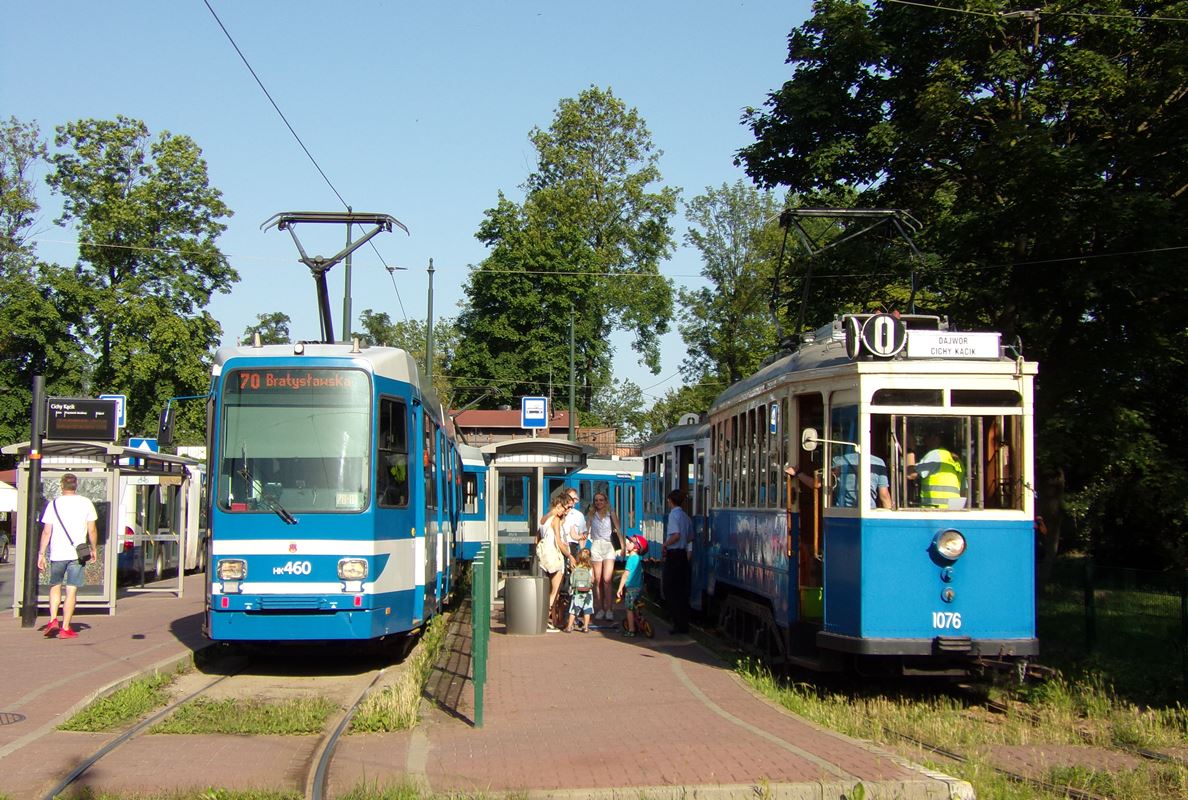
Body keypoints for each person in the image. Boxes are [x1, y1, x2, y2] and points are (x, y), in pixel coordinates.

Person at [37, 473, 98, 640]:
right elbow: (92, 529)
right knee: (71, 589)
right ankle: (65, 628)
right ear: (75, 485)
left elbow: (47, 531)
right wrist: (93, 549)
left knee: (55, 585)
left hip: (57, 553)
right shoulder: (86, 503)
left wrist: (41, 554)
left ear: (61, 486)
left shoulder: (53, 504)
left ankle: (52, 619)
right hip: (77, 554)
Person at [586, 490, 622, 621]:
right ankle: (600, 608)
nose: (598, 502)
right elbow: (586, 531)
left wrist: (622, 547)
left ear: (605, 501)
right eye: (596, 500)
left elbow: (618, 530)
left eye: (601, 500)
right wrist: (582, 547)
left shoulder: (610, 514)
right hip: (596, 545)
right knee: (598, 579)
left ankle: (609, 609)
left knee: (607, 579)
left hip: (609, 546)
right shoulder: (591, 515)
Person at [662, 490, 692, 635]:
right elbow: (690, 537)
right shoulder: (686, 516)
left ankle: (676, 623)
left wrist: (665, 544)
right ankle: (683, 624)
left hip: (674, 555)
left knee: (669, 589)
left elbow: (676, 535)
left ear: (670, 500)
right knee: (682, 591)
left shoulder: (673, 515)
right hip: (683, 556)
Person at [909, 432, 966, 508]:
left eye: (926, 437)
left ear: (936, 438)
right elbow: (963, 492)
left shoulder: (935, 455)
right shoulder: (957, 461)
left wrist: (910, 449)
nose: (924, 441)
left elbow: (910, 474)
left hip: (934, 511)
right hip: (953, 511)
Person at [537, 496, 569, 630]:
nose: (565, 511)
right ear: (558, 506)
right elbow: (558, 541)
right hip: (554, 556)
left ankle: (552, 620)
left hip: (545, 556)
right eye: (565, 508)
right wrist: (570, 555)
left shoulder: (544, 519)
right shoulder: (555, 519)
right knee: (554, 591)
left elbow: (537, 538)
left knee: (550, 589)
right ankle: (548, 619)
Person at [825, 452, 893, 509]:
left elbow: (827, 488)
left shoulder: (838, 461)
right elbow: (884, 496)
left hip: (843, 512)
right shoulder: (878, 462)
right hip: (869, 511)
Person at [615, 534, 647, 637]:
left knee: (629, 609)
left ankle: (631, 630)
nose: (627, 543)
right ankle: (639, 621)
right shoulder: (638, 559)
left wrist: (620, 588)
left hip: (631, 588)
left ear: (636, 547)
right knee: (635, 606)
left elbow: (625, 575)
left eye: (630, 542)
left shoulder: (631, 559)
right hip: (638, 588)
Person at [565, 548, 595, 633]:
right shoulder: (589, 568)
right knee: (587, 610)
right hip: (588, 592)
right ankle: (585, 627)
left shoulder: (575, 568)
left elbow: (572, 580)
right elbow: (592, 580)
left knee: (573, 609)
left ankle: (569, 627)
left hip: (577, 592)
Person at [562, 488, 587, 564]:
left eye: (575, 499)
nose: (573, 501)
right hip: (560, 545)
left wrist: (582, 551)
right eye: (571, 498)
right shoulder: (559, 512)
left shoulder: (579, 515)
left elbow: (582, 533)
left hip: (572, 547)